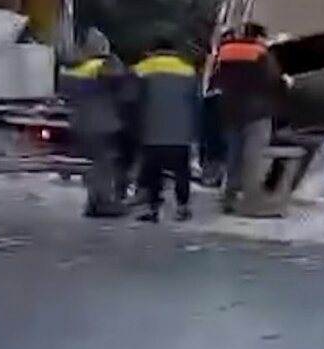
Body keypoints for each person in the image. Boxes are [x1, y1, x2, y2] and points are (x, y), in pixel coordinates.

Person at [210, 22, 291, 216]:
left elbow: (215, 81)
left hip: (230, 111)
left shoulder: (225, 52)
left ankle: (228, 200)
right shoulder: (261, 53)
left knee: (234, 157)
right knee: (253, 159)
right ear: (259, 36)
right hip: (257, 112)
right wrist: (286, 84)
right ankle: (251, 202)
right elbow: (274, 81)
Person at [59, 29, 130, 218]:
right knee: (104, 164)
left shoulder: (71, 70)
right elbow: (120, 81)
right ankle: (103, 202)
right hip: (102, 123)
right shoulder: (103, 66)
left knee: (91, 165)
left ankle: (94, 200)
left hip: (79, 122)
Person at [132, 38, 200, 222]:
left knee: (153, 172)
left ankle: (153, 209)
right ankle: (183, 207)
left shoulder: (141, 69)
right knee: (181, 172)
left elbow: (133, 101)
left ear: (153, 50)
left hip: (151, 131)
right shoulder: (188, 70)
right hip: (181, 133)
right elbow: (196, 103)